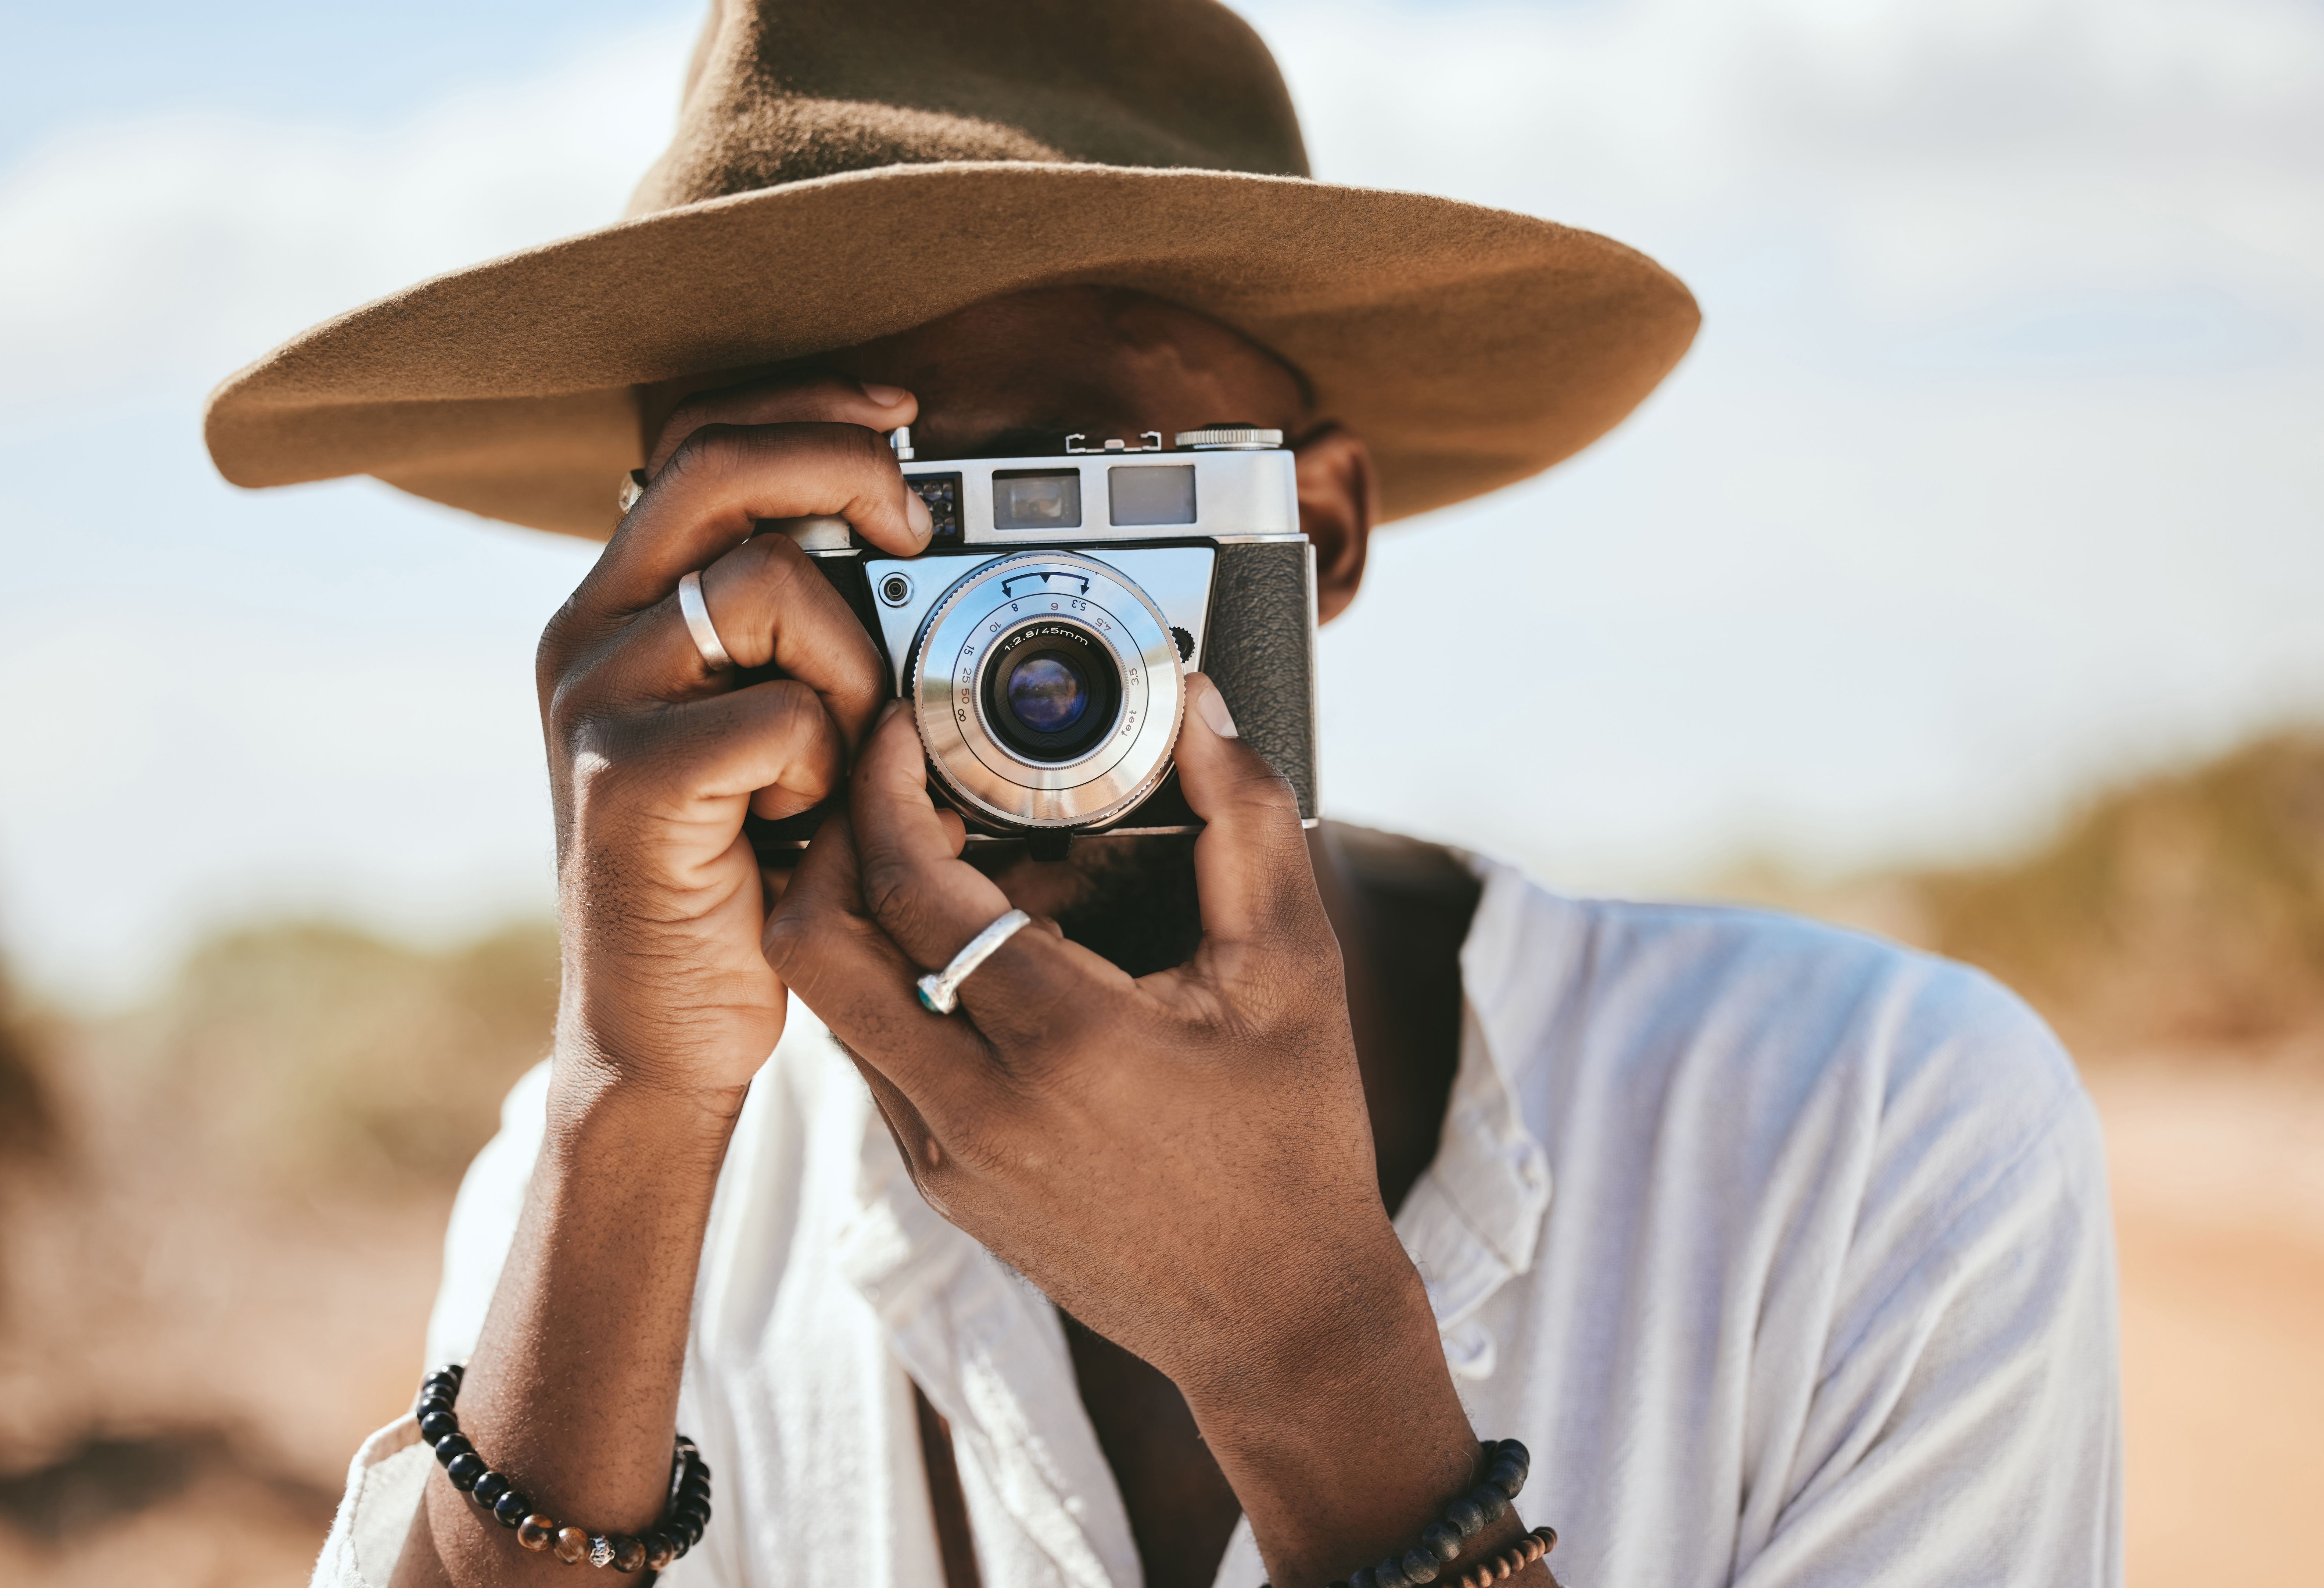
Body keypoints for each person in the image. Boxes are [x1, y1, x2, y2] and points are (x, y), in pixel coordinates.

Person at [207, 4, 2121, 1586]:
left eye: (1080, 492)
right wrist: (627, 1123)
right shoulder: (626, 1197)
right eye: (836, 528)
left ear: (1323, 526)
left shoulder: (1866, 1142)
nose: (996, 639)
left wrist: (1309, 1356)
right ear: (673, 590)